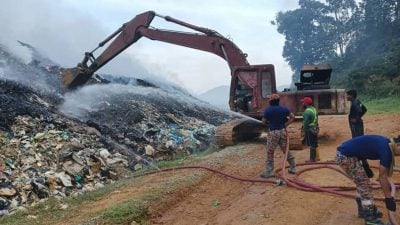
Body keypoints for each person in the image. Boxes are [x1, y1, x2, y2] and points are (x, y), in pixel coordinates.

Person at [336, 135, 400, 225]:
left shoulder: (387, 143)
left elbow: (363, 146)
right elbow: (382, 177)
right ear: (398, 145)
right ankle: (370, 218)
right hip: (345, 156)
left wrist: (365, 164)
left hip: (349, 154)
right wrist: (388, 198)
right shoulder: (387, 151)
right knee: (364, 185)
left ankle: (363, 210)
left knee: (362, 182)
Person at [260, 94, 296, 178]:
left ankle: (269, 171)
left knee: (270, 151)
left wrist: (268, 122)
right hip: (283, 131)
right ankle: (293, 168)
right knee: (286, 150)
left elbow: (263, 122)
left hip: (273, 133)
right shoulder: (284, 109)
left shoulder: (268, 110)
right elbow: (292, 117)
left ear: (270, 101)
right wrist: (286, 125)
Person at [301, 97, 320, 162]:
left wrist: (304, 130)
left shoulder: (307, 111)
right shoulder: (314, 109)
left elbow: (305, 123)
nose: (302, 104)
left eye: (303, 102)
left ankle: (312, 159)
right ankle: (316, 157)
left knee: (312, 144)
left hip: (310, 128)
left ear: (306, 103)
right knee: (314, 143)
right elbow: (317, 119)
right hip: (314, 127)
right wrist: (317, 127)